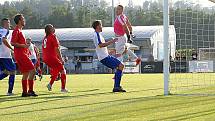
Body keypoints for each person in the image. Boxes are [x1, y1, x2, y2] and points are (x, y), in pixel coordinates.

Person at [92, 20, 126, 92]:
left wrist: (109, 51)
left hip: (105, 56)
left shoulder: (98, 35)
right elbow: (100, 45)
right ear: (98, 26)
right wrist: (112, 41)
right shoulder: (96, 34)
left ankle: (117, 86)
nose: (102, 27)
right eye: (101, 25)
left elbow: (100, 47)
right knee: (121, 66)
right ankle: (116, 87)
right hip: (104, 57)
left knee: (120, 66)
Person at [11, 14, 38, 97]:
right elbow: (12, 43)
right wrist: (24, 46)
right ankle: (30, 91)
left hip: (21, 54)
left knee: (26, 73)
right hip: (21, 55)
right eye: (23, 19)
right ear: (19, 21)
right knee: (33, 71)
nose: (24, 20)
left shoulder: (19, 30)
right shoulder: (16, 31)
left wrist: (24, 46)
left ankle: (25, 92)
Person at [42, 24, 68, 92]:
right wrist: (61, 58)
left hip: (45, 58)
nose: (54, 28)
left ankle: (50, 84)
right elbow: (57, 49)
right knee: (63, 70)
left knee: (56, 71)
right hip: (51, 57)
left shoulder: (45, 38)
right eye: (52, 27)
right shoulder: (53, 36)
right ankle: (63, 88)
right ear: (50, 30)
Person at [0, 18, 16, 96]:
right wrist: (12, 48)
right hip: (5, 55)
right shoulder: (6, 31)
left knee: (6, 72)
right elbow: (4, 40)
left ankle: (10, 91)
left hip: (1, 55)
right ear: (5, 23)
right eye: (9, 23)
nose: (9, 24)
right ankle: (9, 91)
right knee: (13, 71)